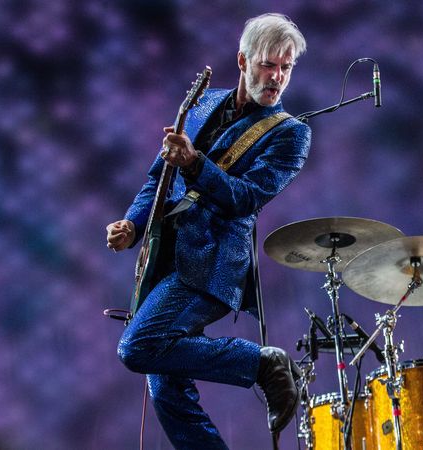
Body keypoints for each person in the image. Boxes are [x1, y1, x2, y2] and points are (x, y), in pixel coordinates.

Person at [105, 13, 310, 449]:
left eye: (285, 67)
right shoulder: (202, 104)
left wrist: (195, 164)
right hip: (165, 260)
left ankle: (261, 363)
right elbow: (157, 178)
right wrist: (132, 224)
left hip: (211, 265)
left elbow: (244, 199)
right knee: (168, 391)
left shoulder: (290, 135)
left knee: (137, 348)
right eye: (267, 65)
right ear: (242, 60)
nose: (276, 77)